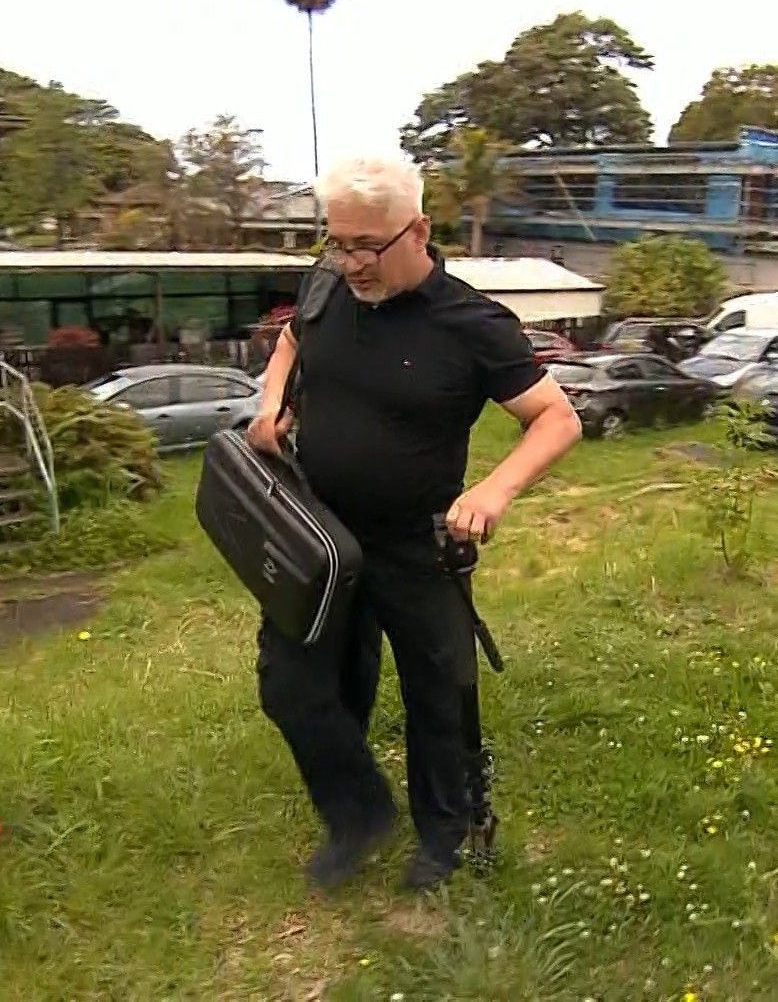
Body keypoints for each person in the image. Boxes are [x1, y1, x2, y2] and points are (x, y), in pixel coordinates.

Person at [247, 153, 583, 893]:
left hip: (417, 547)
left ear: (419, 230)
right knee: (292, 683)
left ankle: (442, 836)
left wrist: (493, 491)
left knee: (437, 700)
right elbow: (293, 341)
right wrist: (271, 402)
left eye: (367, 246)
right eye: (338, 243)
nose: (350, 263)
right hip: (318, 536)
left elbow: (557, 420)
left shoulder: (471, 323)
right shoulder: (327, 285)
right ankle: (358, 814)